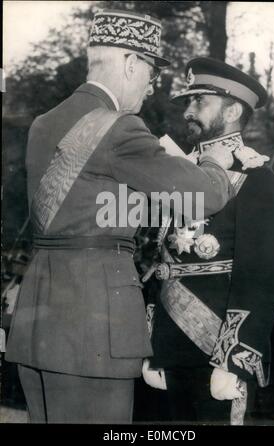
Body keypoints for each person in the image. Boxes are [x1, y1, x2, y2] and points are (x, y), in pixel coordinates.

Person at [4, 11, 234, 424]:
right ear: (130, 64)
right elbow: (206, 196)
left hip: (38, 319)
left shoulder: (42, 124)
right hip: (94, 329)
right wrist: (216, 163)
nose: (151, 87)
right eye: (151, 72)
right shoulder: (120, 129)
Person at [146, 57, 274, 425]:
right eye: (188, 102)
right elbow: (160, 262)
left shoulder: (258, 180)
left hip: (219, 351)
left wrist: (233, 359)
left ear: (233, 110)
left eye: (200, 102)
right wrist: (153, 349)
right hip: (171, 349)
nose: (189, 112)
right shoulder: (180, 171)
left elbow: (261, 278)